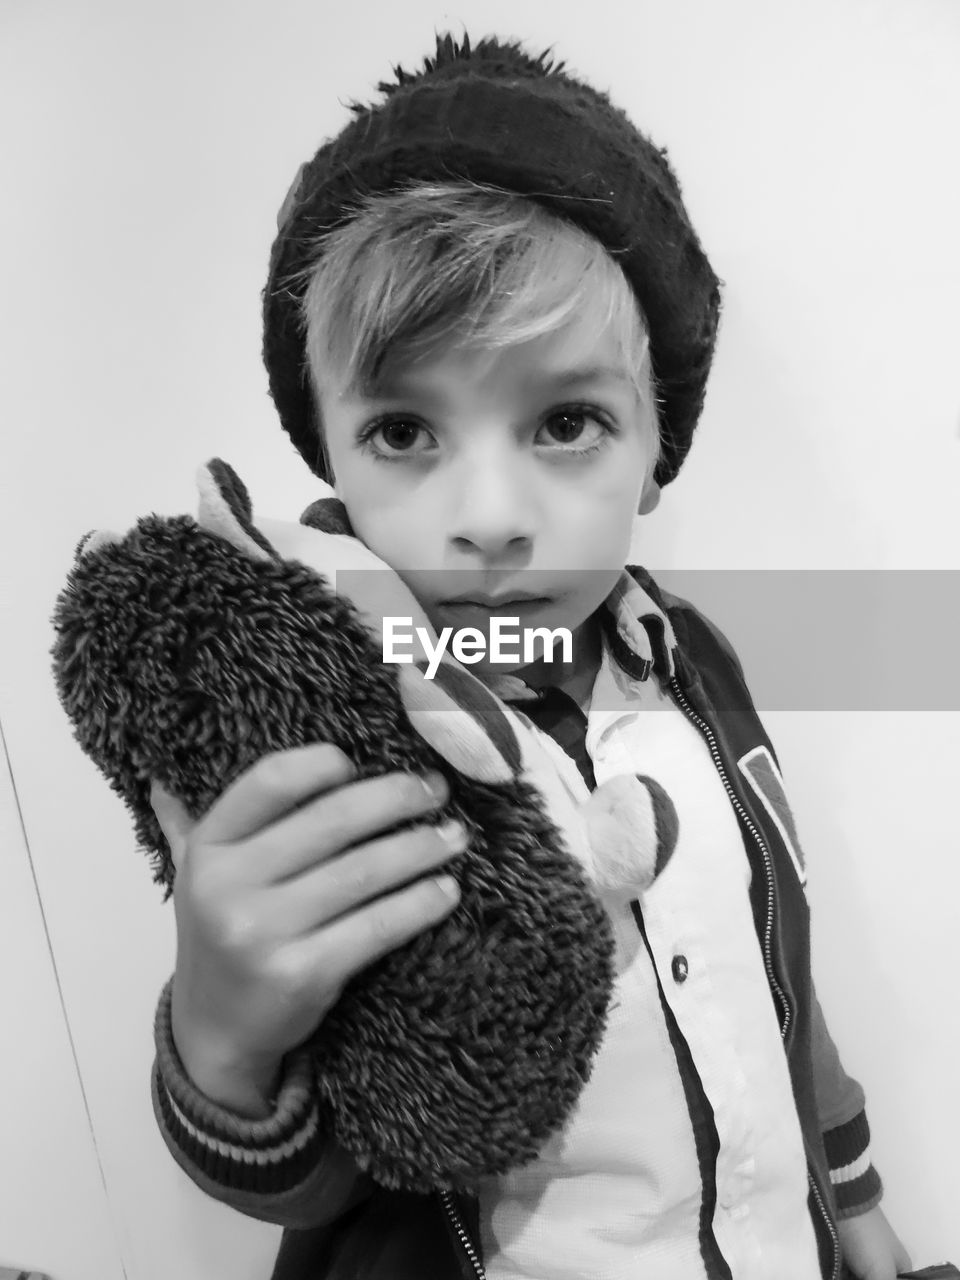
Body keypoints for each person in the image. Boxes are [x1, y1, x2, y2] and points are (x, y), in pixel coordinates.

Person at [148, 31, 913, 1280]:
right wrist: (226, 1037)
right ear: (329, 456)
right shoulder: (331, 736)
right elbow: (335, 1162)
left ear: (655, 442)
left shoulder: (699, 668)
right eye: (404, 429)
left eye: (566, 420)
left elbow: (771, 962)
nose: (491, 512)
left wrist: (855, 1197)